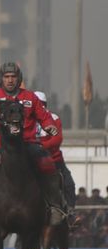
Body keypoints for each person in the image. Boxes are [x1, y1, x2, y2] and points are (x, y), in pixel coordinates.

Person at [0, 61, 65, 224]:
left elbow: (44, 116)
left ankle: (55, 207)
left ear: (18, 78)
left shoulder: (30, 97)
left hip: (27, 142)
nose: (10, 80)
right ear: (1, 78)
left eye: (13, 76)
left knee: (47, 163)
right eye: (7, 77)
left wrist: (49, 126)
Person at [34, 91, 77, 225]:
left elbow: (57, 139)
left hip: (54, 160)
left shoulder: (54, 118)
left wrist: (40, 146)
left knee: (69, 183)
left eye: (41, 104)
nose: (39, 107)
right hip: (32, 160)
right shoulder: (26, 120)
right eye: (36, 104)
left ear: (45, 105)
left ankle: (70, 213)